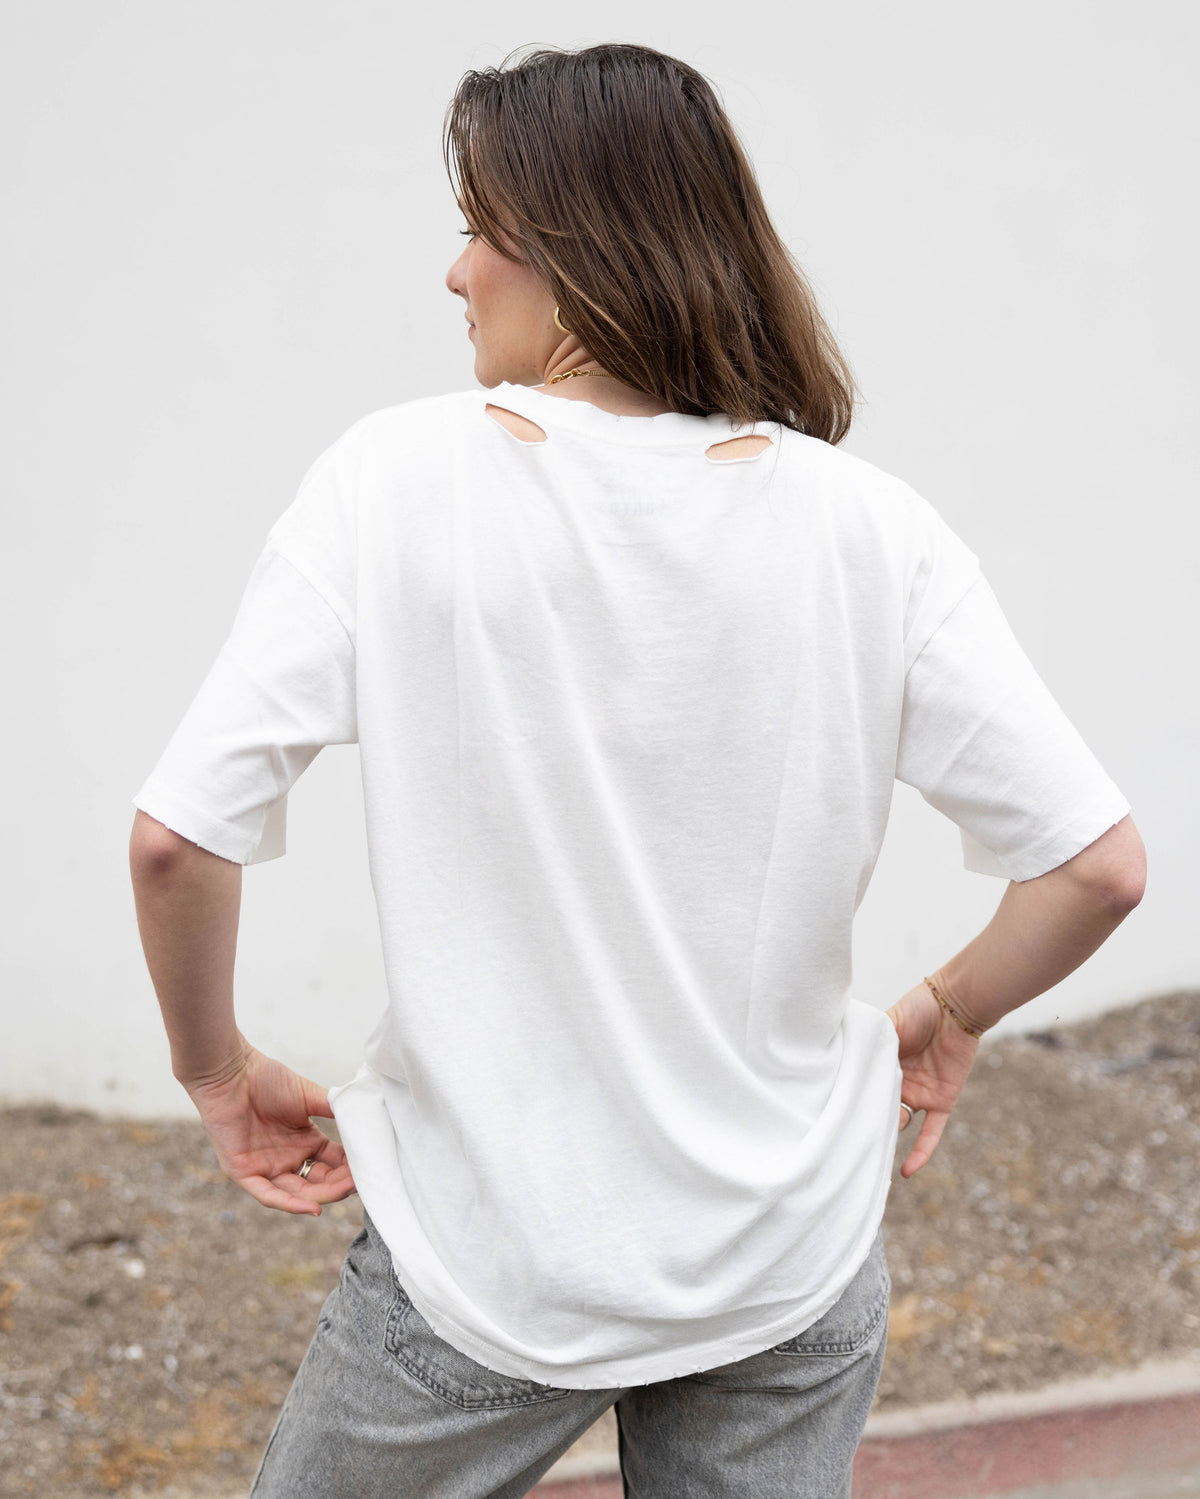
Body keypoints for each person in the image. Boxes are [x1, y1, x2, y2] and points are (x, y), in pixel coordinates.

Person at [127, 40, 1145, 1499]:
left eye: (477, 228)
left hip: (489, 1264)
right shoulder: (875, 530)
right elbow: (1099, 866)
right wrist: (942, 1015)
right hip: (786, 1262)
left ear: (562, 251)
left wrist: (215, 1071)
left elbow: (177, 839)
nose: (455, 272)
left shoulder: (389, 485)